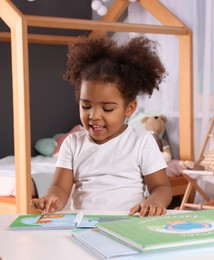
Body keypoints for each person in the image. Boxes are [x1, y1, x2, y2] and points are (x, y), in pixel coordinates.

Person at [30, 34, 172, 217]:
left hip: (127, 225)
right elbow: (59, 188)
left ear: (129, 108)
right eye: (86, 106)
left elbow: (161, 187)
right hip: (83, 226)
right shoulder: (73, 144)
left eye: (107, 109)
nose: (94, 116)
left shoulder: (142, 141)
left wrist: (155, 201)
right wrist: (52, 198)